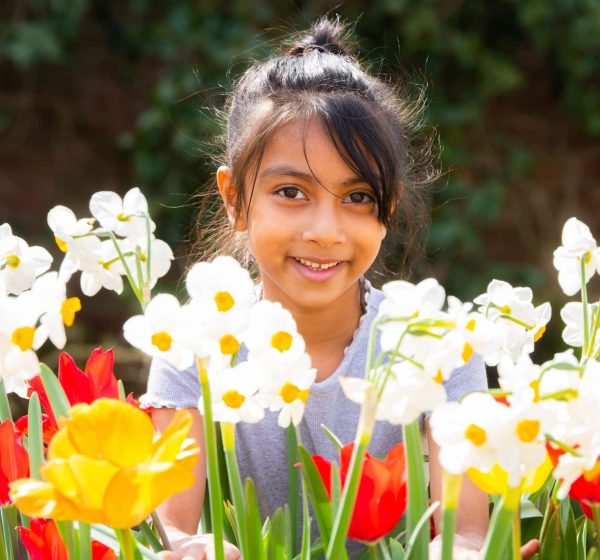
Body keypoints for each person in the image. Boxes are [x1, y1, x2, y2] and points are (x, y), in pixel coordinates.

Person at [142, 17, 538, 560]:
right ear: (234, 198)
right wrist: (195, 549)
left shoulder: (439, 350)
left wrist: (468, 552)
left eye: (358, 198)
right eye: (290, 191)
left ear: (389, 206)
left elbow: (463, 533)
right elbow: (172, 528)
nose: (325, 231)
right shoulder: (195, 347)